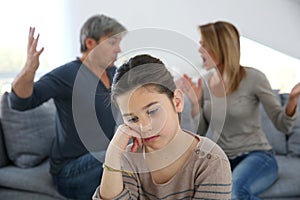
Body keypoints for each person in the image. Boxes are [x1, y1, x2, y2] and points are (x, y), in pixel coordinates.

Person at [9, 15, 126, 199]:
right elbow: (19, 103)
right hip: (70, 170)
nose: (118, 49)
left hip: (101, 160)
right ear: (90, 42)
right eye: (112, 42)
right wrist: (29, 69)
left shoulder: (113, 73)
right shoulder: (67, 75)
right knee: (120, 156)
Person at [179, 21, 300, 200]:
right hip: (222, 160)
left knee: (235, 192)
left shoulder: (254, 78)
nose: (199, 49)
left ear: (220, 46)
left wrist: (291, 101)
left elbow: (282, 125)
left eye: (204, 44)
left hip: (257, 156)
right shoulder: (203, 83)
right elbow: (202, 135)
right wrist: (196, 104)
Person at [92, 54, 232, 199]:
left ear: (177, 102)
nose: (144, 127)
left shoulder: (211, 161)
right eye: (133, 119)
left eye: (152, 111)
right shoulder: (128, 159)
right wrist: (112, 156)